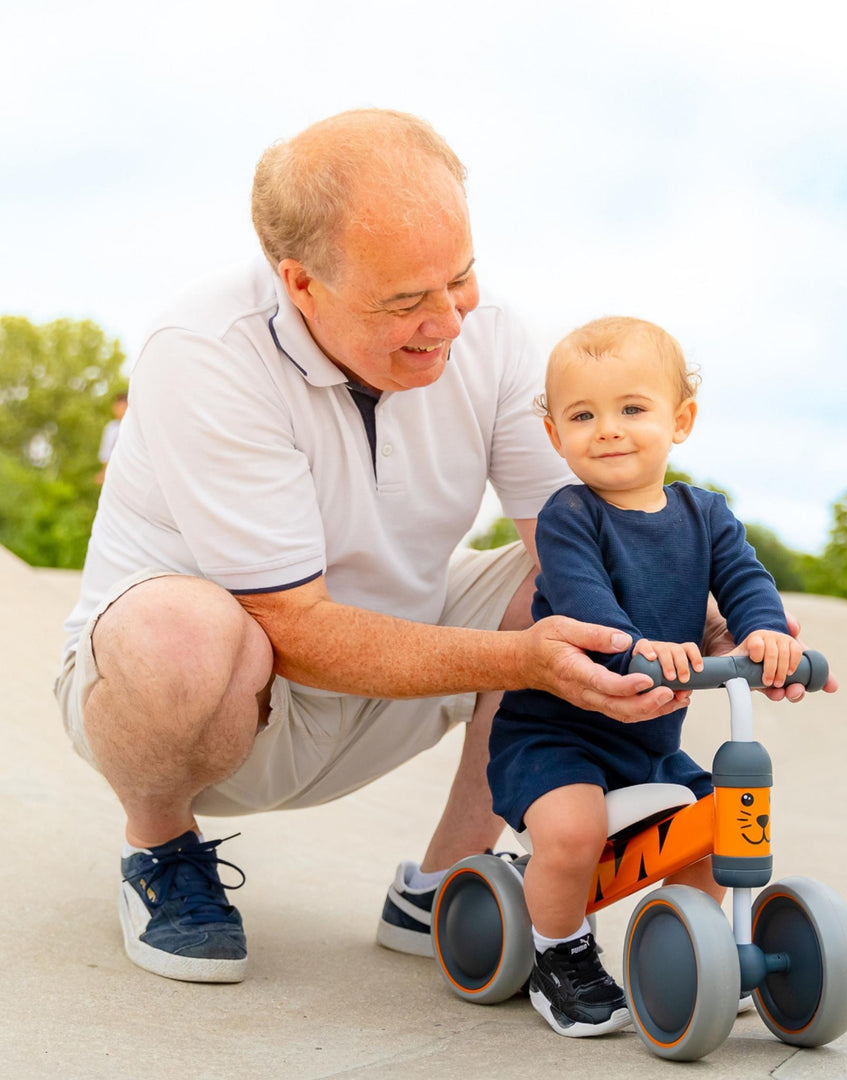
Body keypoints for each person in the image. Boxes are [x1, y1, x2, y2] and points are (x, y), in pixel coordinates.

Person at [54, 109, 706, 986]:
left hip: (401, 658)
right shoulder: (204, 351)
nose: (447, 321)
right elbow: (293, 626)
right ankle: (161, 849)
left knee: (581, 559)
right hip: (224, 703)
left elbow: (592, 549)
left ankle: (447, 884)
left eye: (461, 277)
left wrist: (716, 621)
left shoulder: (497, 336)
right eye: (405, 301)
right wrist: (526, 659)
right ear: (302, 283)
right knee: (185, 629)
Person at [487, 316, 806, 1038]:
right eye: (582, 415)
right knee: (572, 834)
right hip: (555, 737)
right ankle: (558, 956)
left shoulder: (706, 514)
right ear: (553, 435)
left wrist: (763, 631)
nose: (608, 429)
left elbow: (745, 580)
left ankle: (687, 952)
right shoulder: (571, 516)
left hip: (648, 746)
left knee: (714, 829)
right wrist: (635, 645)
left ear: (680, 420)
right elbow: (582, 600)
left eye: (632, 408)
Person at [94, 390, 127, 485]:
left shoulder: (133, 427)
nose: (120, 409)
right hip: (115, 472)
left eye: (123, 406)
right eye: (118, 406)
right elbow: (106, 454)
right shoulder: (111, 428)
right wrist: (104, 473)